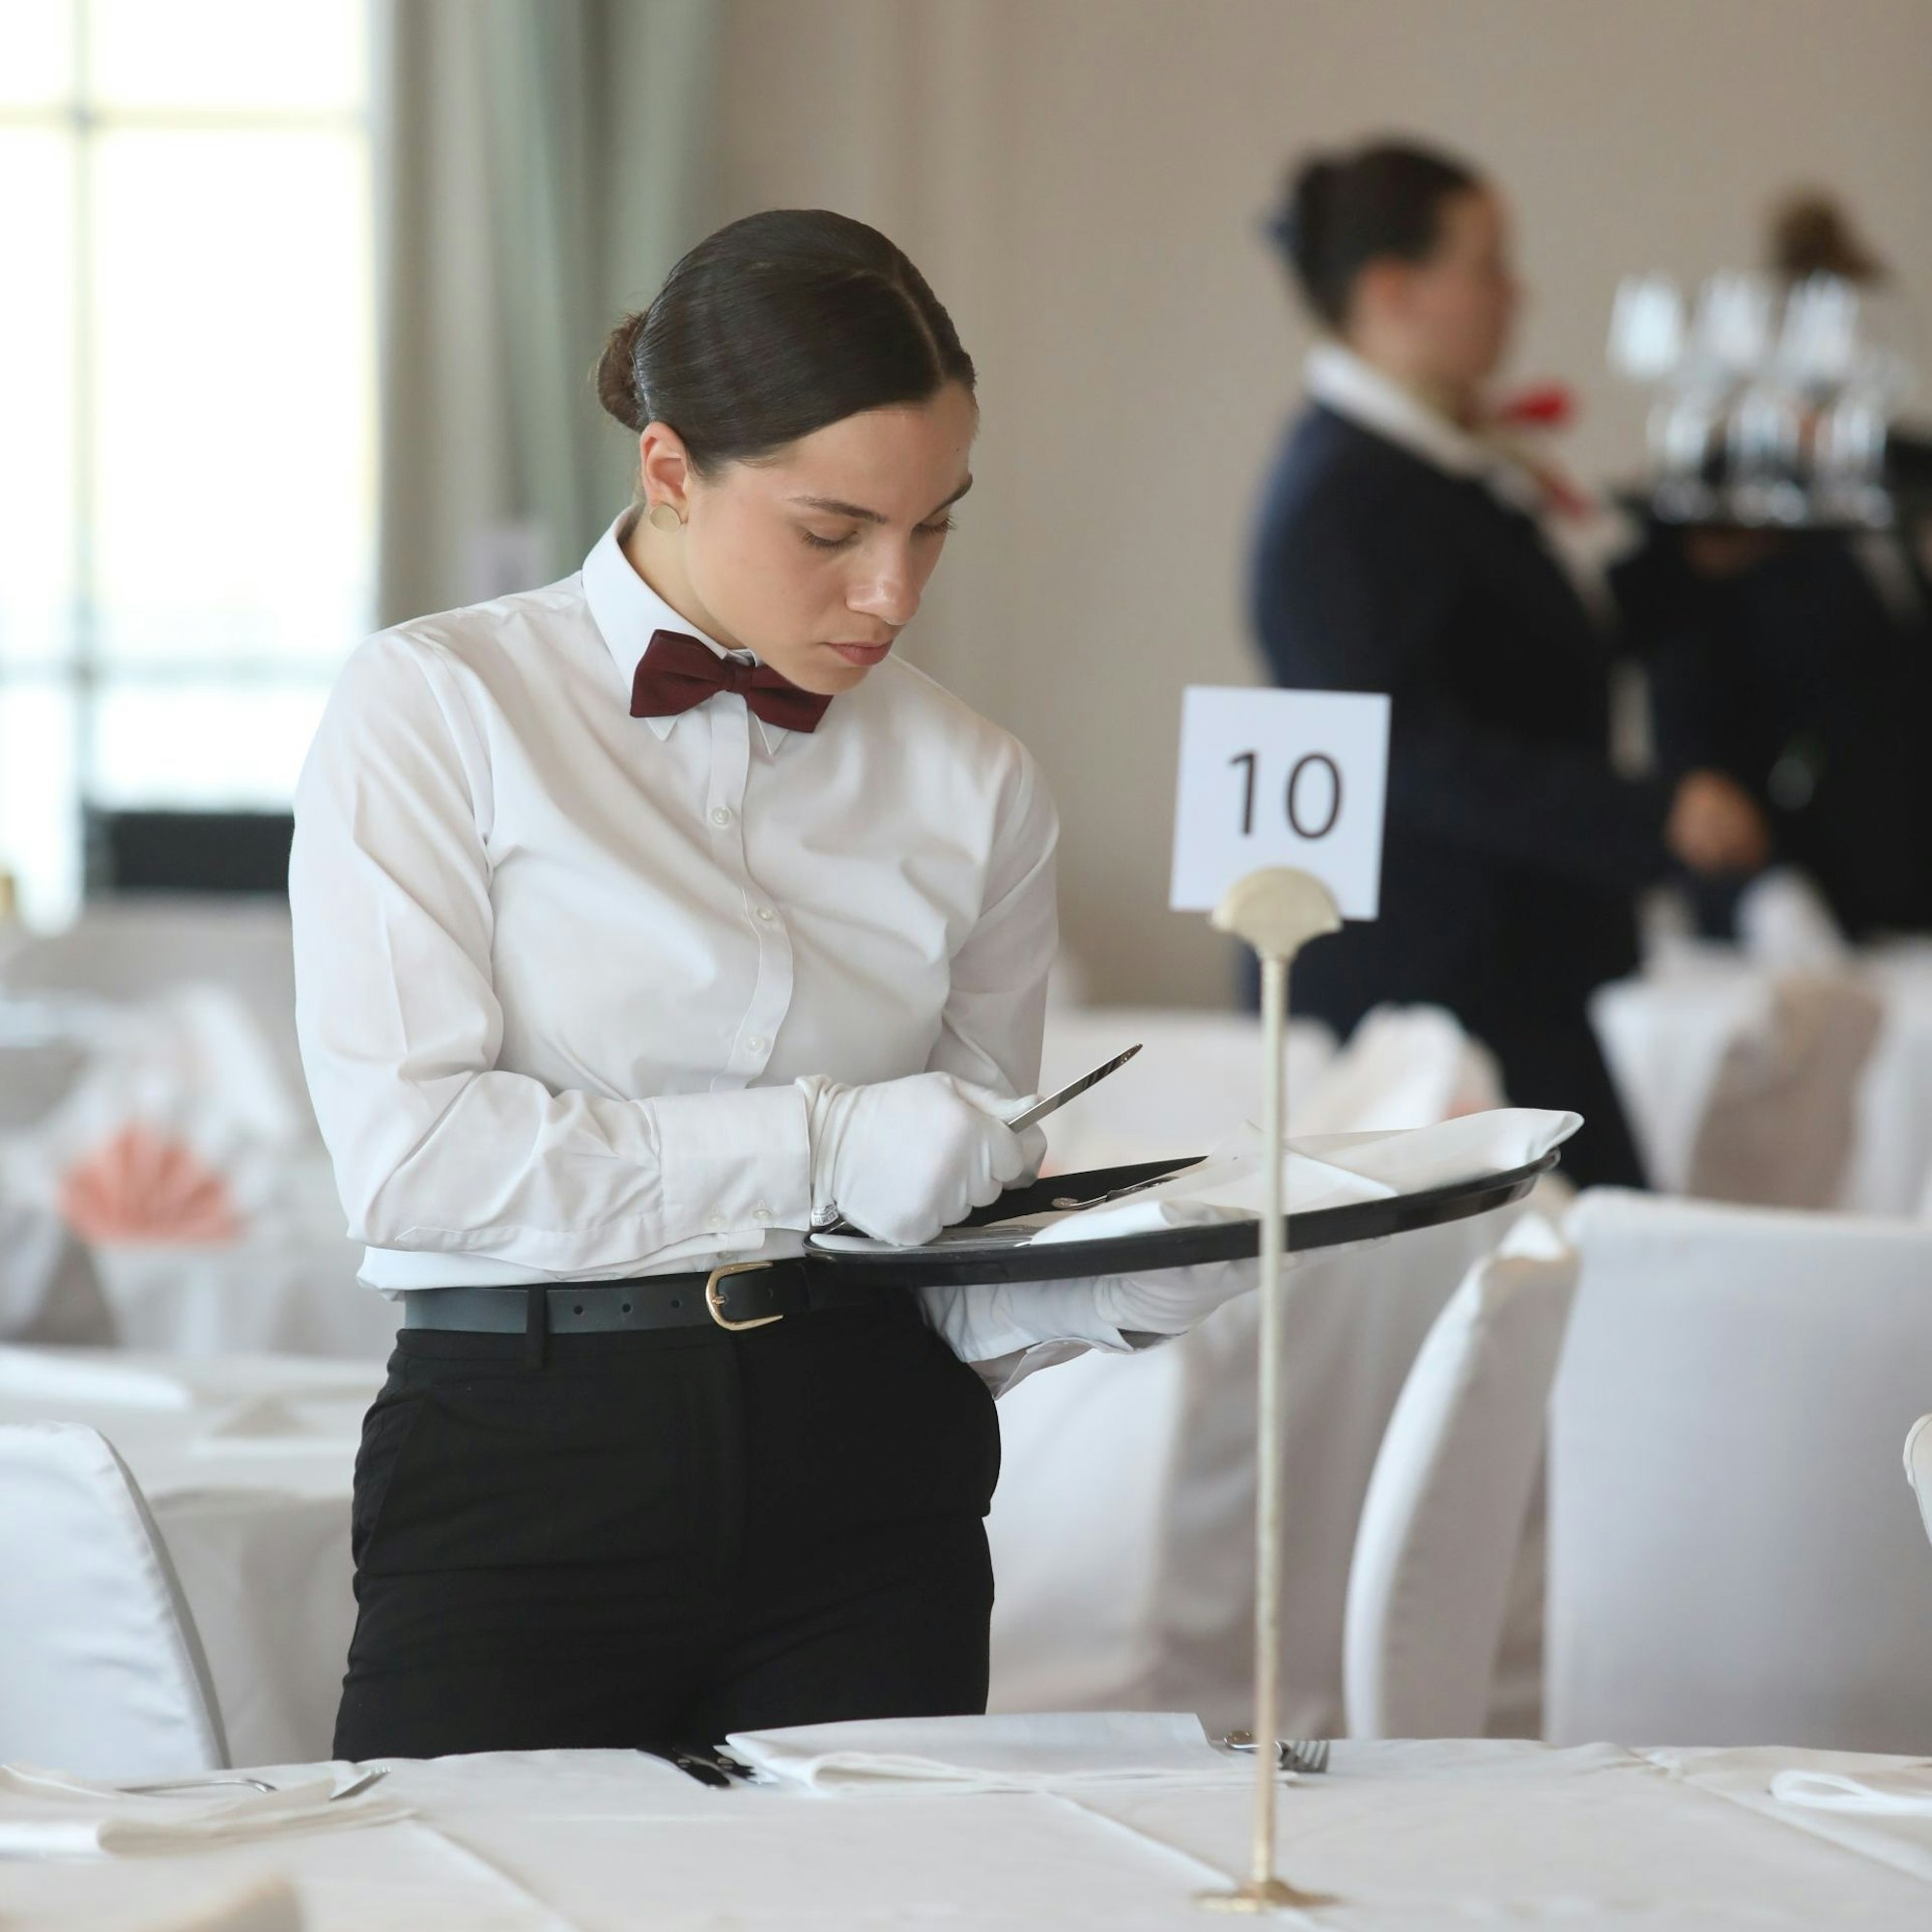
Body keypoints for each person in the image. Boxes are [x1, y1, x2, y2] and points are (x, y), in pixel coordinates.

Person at [292, 209, 1252, 1759]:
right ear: (668, 469)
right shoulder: (435, 708)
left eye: (935, 524)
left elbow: (942, 1256)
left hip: (878, 1480)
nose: (894, 591)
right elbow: (417, 1163)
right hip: (532, 1459)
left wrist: (1106, 1283)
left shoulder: (979, 783)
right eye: (832, 532)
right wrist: (815, 1145)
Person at [1249, 141, 1767, 1189]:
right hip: (1434, 987)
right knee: (1584, 1278)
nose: (1512, 294)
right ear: (1393, 290)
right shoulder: (1347, 498)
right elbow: (1416, 749)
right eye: (1485, 266)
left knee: (1605, 1267)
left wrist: (1683, 565)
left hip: (1504, 961)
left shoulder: (1422, 470)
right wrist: (1647, 814)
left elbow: (1528, 657)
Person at [1650, 189, 1932, 940]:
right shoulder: (1725, 501)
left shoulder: (1906, 479)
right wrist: (1757, 893)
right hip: (1803, 894)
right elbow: (1689, 727)